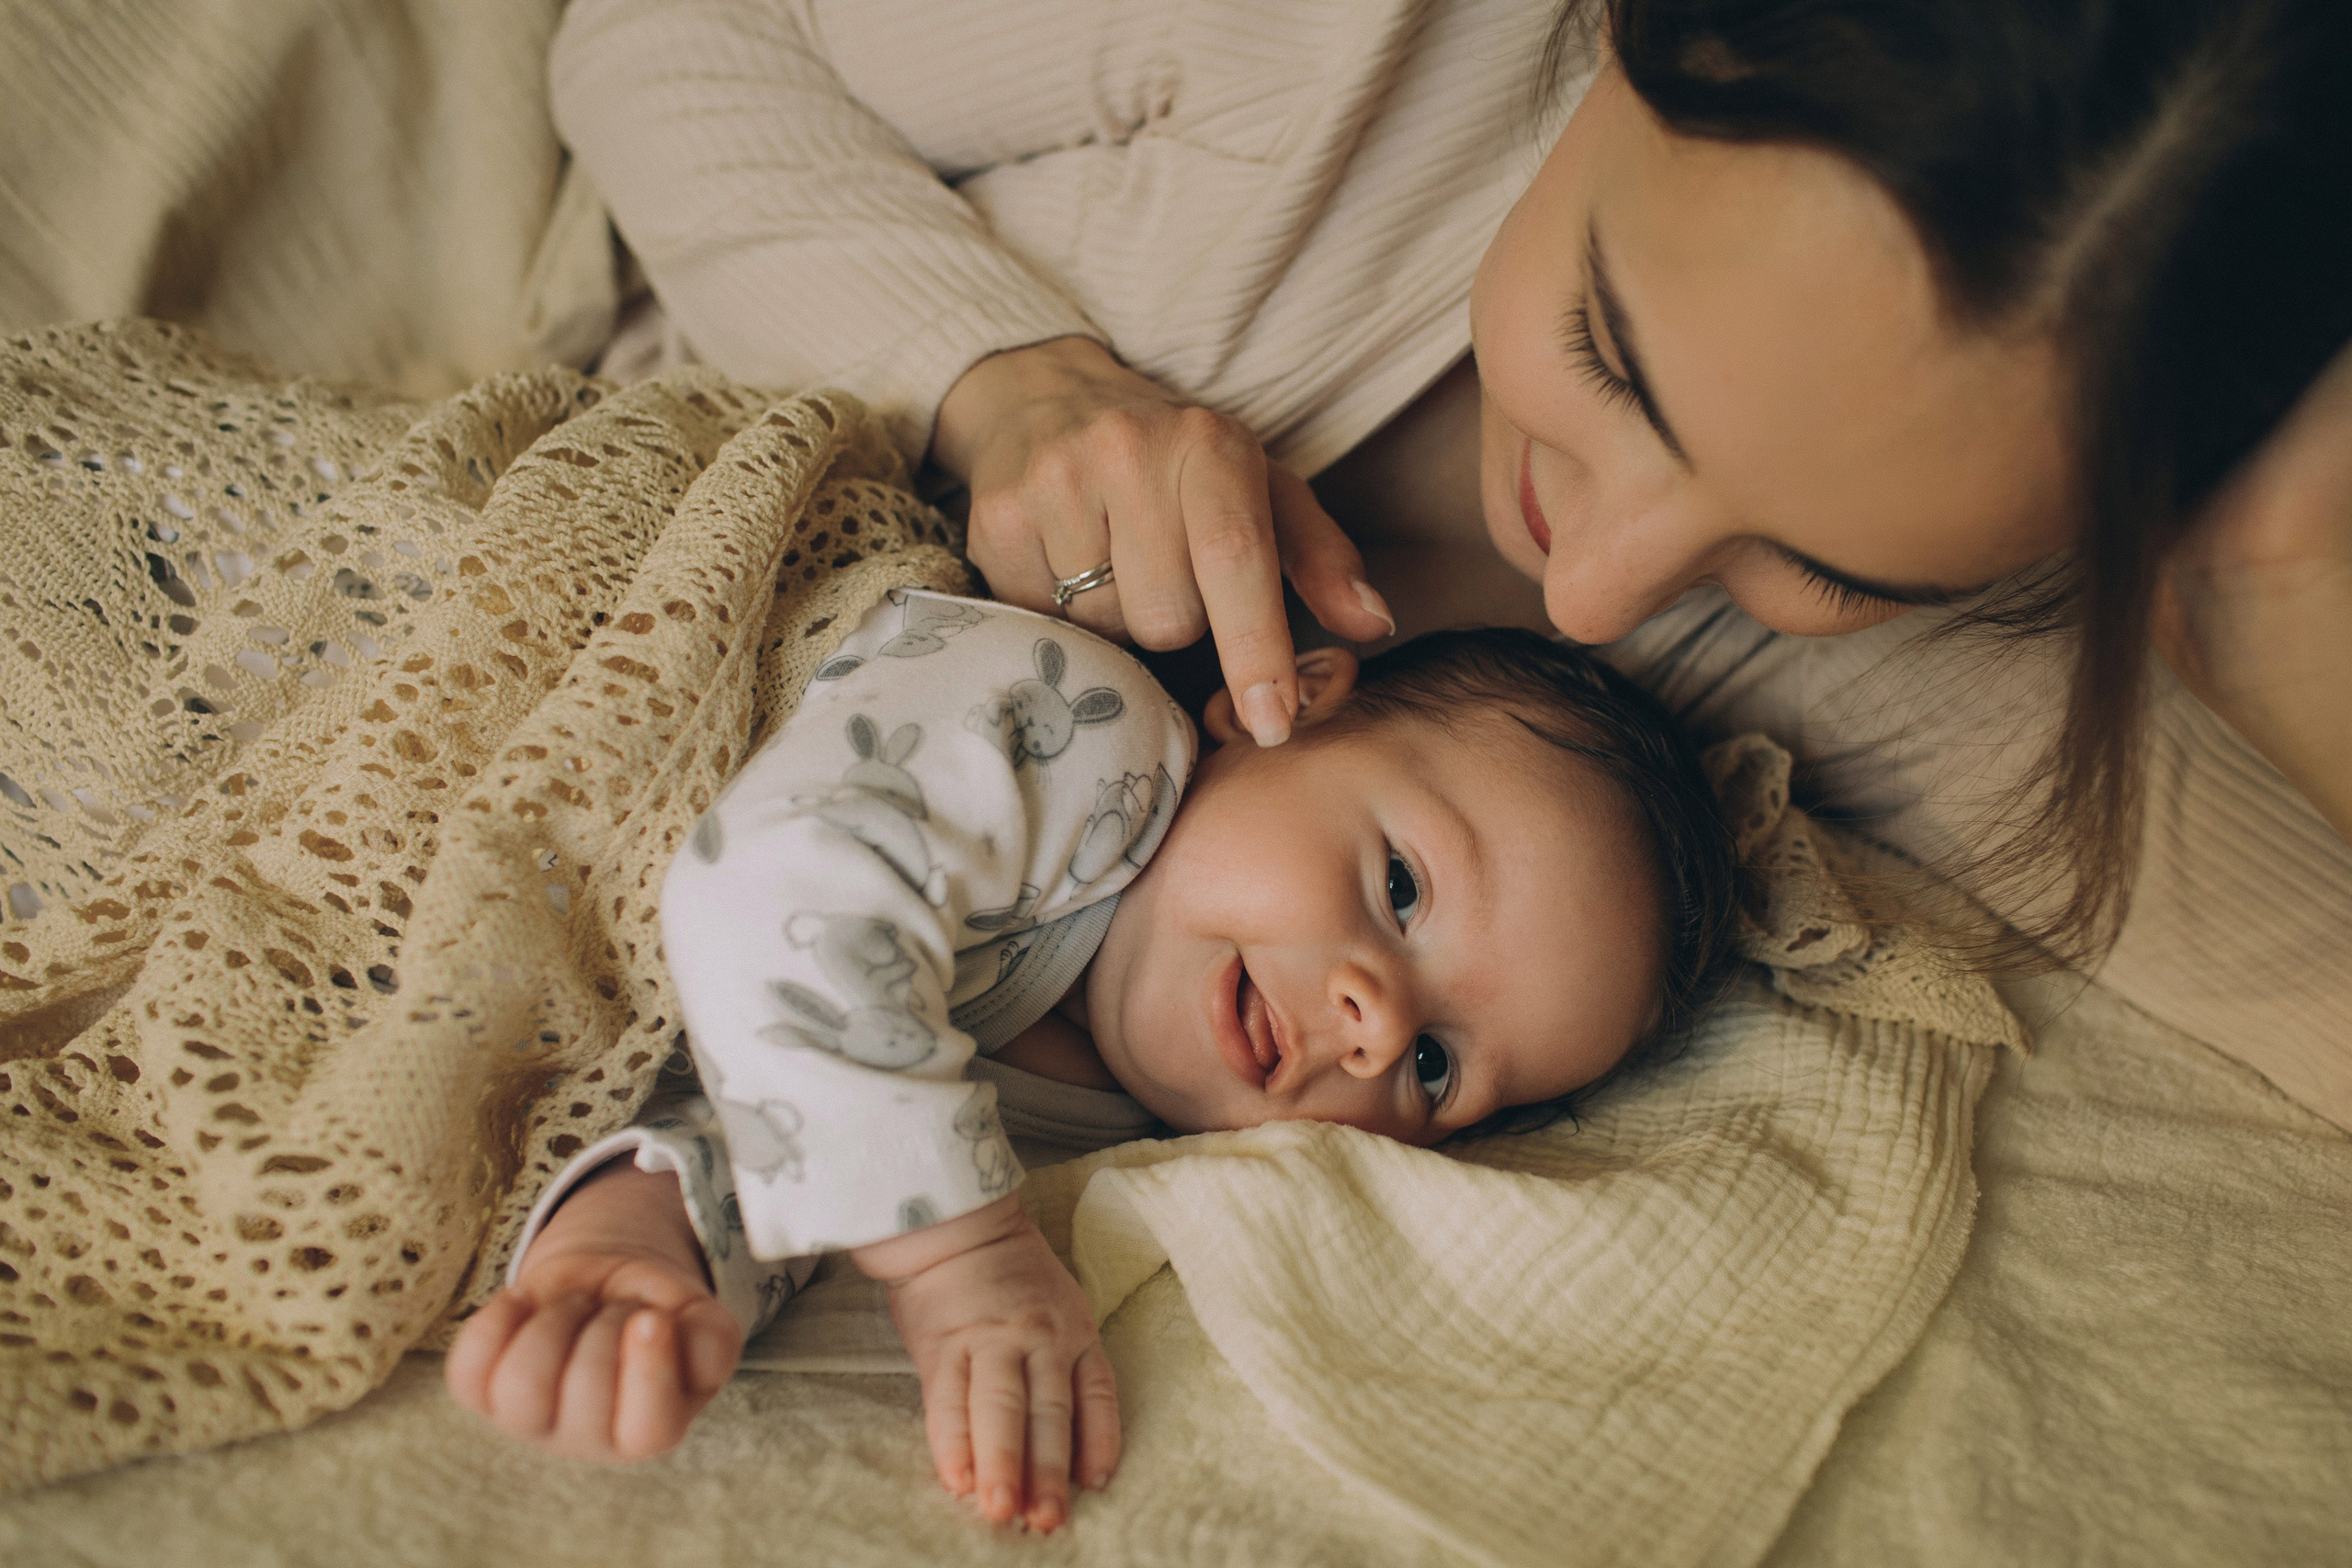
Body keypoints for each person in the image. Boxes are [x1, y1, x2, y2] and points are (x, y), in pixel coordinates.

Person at [548, 0, 2352, 1120]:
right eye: (1606, 351)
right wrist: (1005, 375)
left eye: (1821, 561)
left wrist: (2269, 578)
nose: (1597, 587)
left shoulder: (1973, 628)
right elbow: (663, 37)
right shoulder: (1349, 42)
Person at [444, 595, 1737, 1529]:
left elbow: (799, 1139)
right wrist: (958, 1258)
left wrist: (638, 1247)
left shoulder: (1090, 1140)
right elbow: (785, 882)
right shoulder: (1082, 731)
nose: (1376, 1025)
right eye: (1400, 885)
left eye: (1441, 1072)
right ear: (1289, 705)